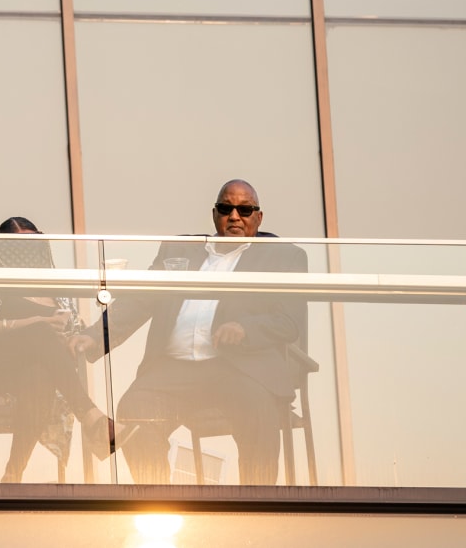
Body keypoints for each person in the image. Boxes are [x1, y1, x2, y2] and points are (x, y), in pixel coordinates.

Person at [75, 179, 308, 484]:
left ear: (258, 217)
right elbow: (141, 299)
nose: (235, 216)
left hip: (238, 369)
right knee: (134, 407)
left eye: (244, 209)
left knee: (259, 411)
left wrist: (245, 329)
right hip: (173, 370)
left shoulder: (283, 257)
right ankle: (159, 503)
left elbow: (288, 321)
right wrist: (95, 335)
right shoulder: (181, 249)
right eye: (226, 208)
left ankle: (258, 511)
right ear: (214, 214)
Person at [0, 218, 113, 482]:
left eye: (34, 241)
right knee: (40, 333)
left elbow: (75, 328)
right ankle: (90, 415)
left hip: (33, 376)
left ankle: (13, 472)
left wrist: (70, 335)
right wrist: (35, 322)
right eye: (20, 243)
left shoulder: (54, 290)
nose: (29, 249)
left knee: (39, 375)